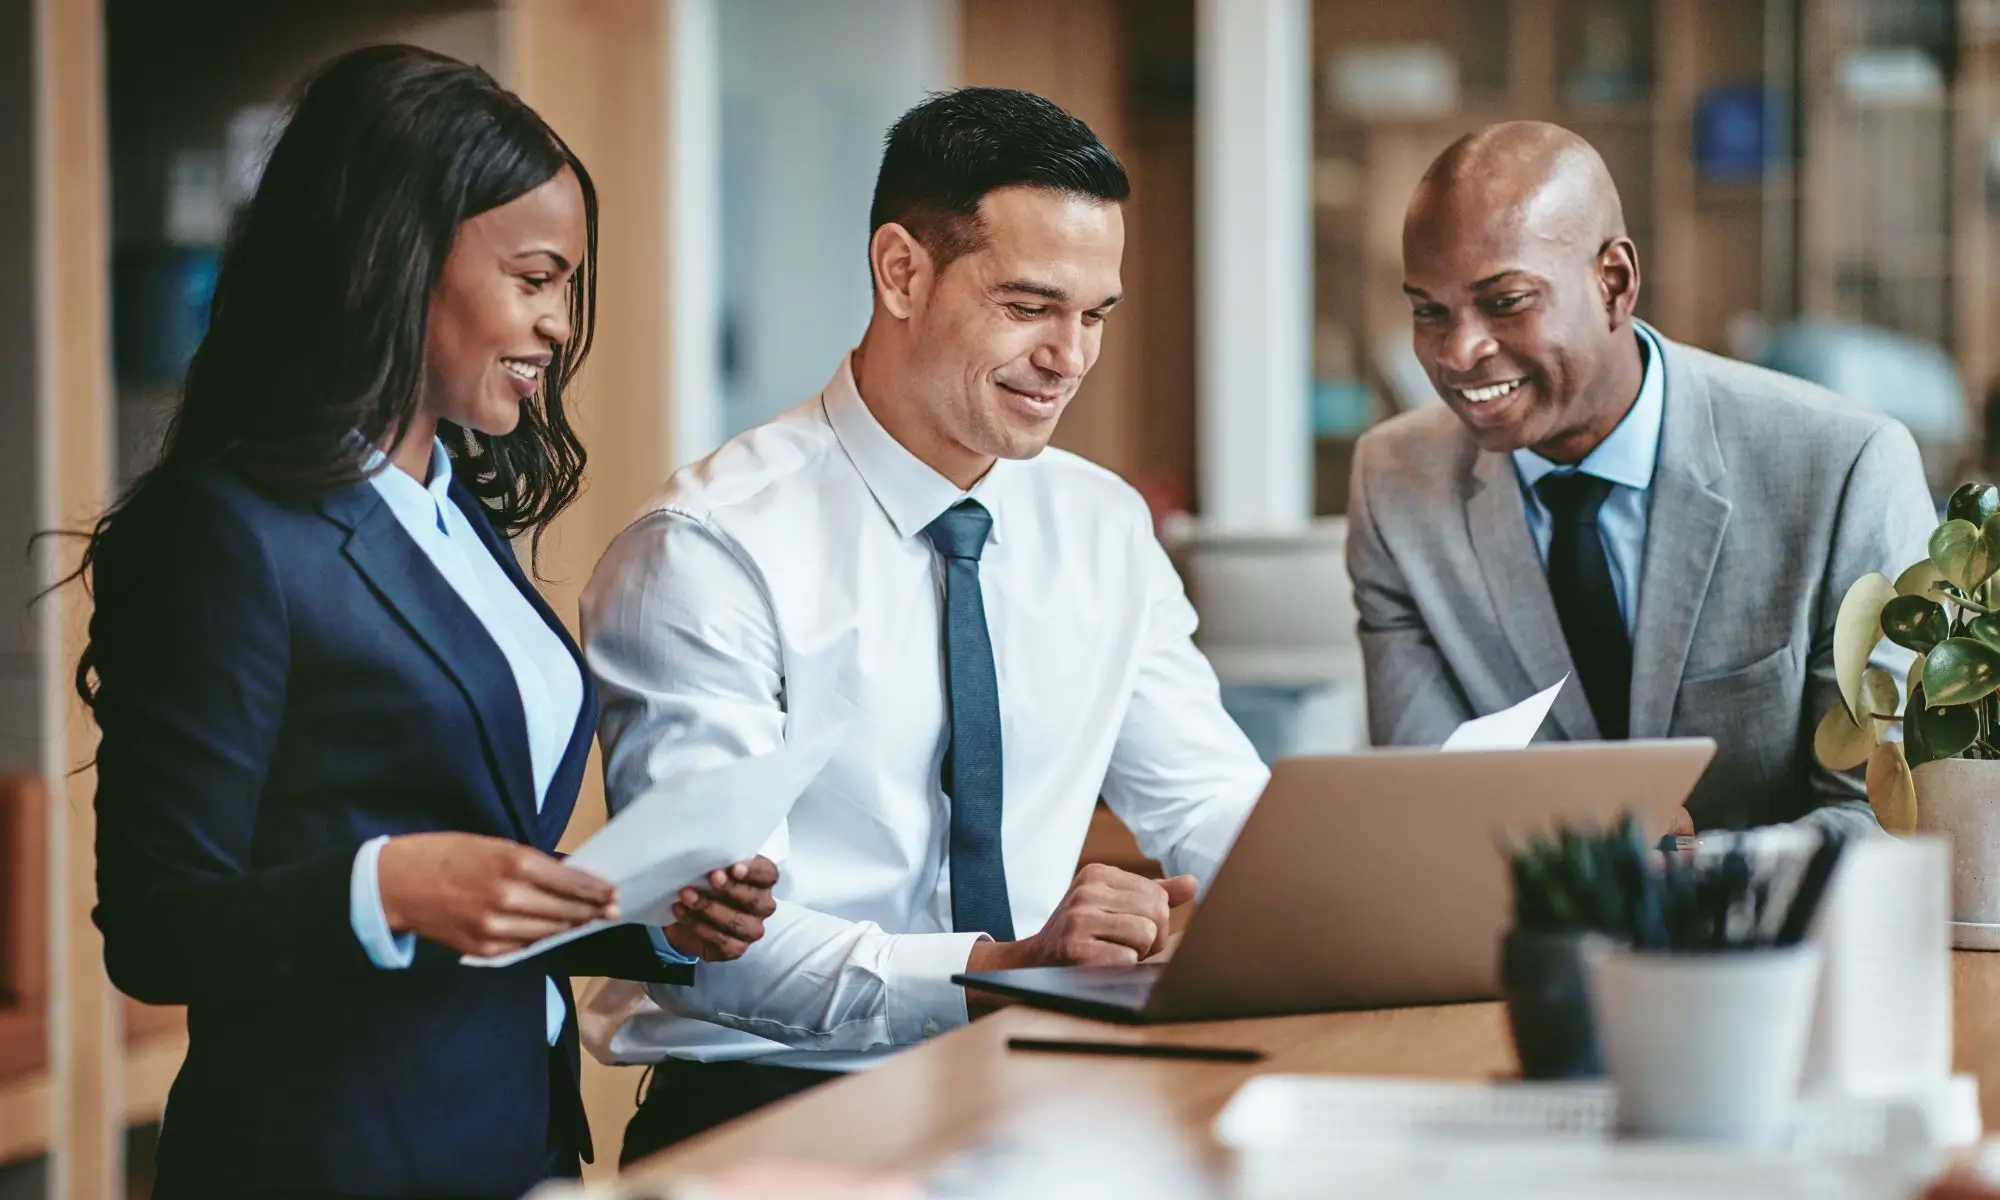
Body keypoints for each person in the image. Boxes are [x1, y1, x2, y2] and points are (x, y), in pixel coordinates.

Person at [80, 45, 778, 1199]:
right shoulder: (227, 534)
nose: (558, 326)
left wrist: (649, 914)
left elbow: (469, 863)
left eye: (568, 288)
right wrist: (389, 885)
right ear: (395, 258)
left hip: (515, 1145)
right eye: (534, 278)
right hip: (327, 1166)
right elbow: (158, 928)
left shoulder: (450, 514)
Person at [581, 86, 1270, 1161]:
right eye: (1029, 305)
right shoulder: (709, 549)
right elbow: (716, 950)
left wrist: (1343, 904)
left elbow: (1208, 801)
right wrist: (1002, 969)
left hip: (1038, 1100)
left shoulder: (1101, 526)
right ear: (901, 271)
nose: (1070, 356)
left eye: (1094, 315)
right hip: (770, 1120)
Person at [1347, 121, 1934, 834]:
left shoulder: (1843, 468)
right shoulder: (1394, 485)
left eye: (1505, 302)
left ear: (1614, 283)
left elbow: (1880, 818)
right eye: (1429, 312)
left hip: (1772, 909)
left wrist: (1689, 872)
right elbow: (1424, 804)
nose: (1458, 351)